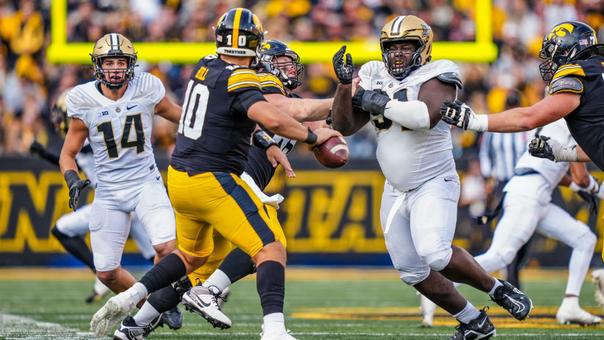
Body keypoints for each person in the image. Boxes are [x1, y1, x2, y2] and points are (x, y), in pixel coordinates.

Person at [90, 9, 341, 340]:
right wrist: (314, 135)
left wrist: (266, 141)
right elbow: (281, 115)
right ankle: (271, 329)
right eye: (277, 62)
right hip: (216, 178)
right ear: (257, 48)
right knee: (271, 246)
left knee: (193, 260)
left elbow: (227, 116)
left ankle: (133, 306)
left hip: (182, 178)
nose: (284, 70)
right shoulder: (246, 77)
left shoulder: (206, 64)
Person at [331, 15, 532, 339]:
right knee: (411, 271)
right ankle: (474, 321)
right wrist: (343, 86)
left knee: (435, 253)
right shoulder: (372, 72)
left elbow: (424, 116)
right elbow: (343, 126)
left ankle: (498, 289)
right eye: (392, 47)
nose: (397, 53)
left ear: (422, 48)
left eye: (405, 46)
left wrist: (375, 100)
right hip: (395, 189)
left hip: (433, 181)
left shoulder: (439, 71)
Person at [59, 32, 183, 317]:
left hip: (145, 182)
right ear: (98, 65)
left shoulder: (147, 87)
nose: (115, 67)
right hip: (108, 190)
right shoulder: (83, 99)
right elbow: (68, 153)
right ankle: (153, 307)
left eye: (120, 61)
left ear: (131, 63)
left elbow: (180, 115)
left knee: (166, 246)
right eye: (109, 62)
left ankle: (161, 301)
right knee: (106, 273)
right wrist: (71, 179)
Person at [30, 89, 157, 304]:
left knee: (62, 230)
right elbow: (76, 161)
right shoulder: (86, 137)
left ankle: (102, 273)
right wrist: (45, 155)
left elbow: (82, 151)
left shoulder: (89, 132)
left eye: (63, 117)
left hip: (115, 201)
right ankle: (190, 286)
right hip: (127, 201)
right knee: (156, 256)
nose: (59, 122)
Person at [474, 119, 600, 325]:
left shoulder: (558, 122)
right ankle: (442, 283)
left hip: (535, 192)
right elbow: (582, 178)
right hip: (529, 194)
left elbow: (550, 169)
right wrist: (597, 190)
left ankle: (570, 305)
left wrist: (578, 188)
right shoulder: (576, 122)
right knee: (500, 256)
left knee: (584, 239)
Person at [440, 21, 603, 170]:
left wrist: (474, 121)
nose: (550, 63)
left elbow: (529, 118)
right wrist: (565, 154)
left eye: (553, 55)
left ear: (568, 51)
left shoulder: (579, 76)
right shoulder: (597, 71)